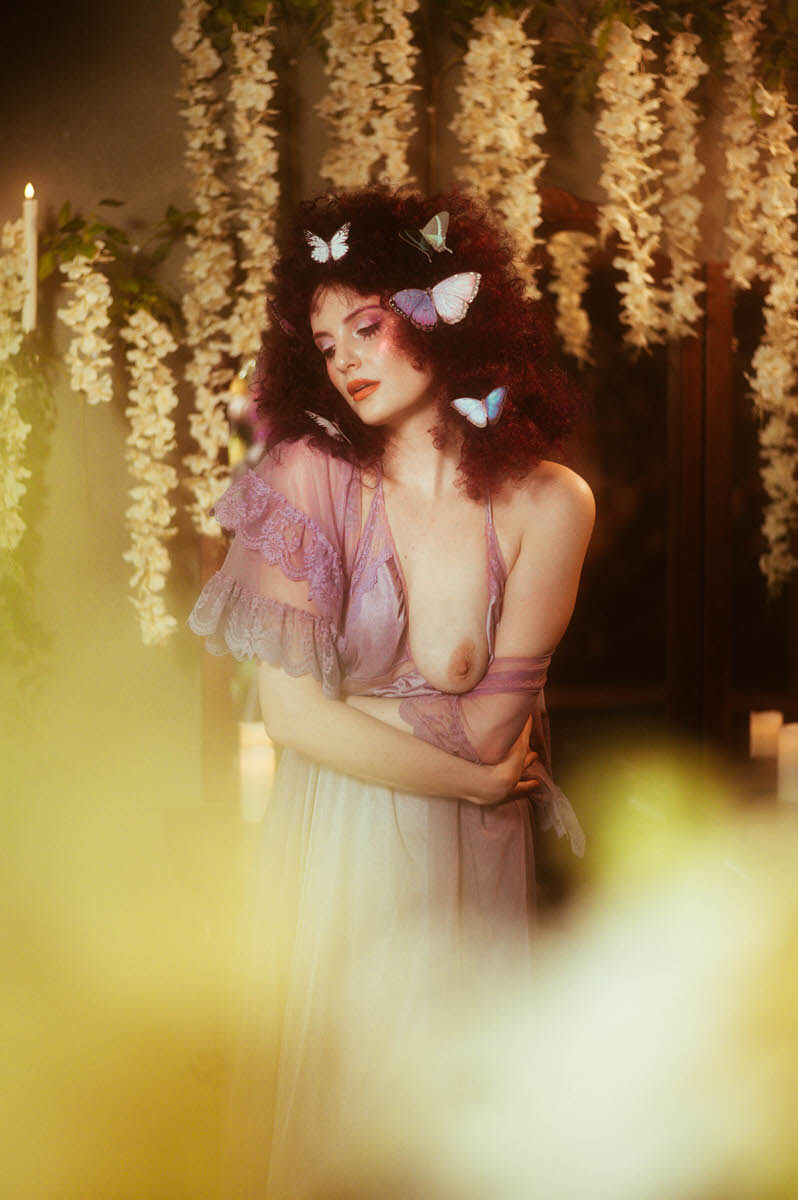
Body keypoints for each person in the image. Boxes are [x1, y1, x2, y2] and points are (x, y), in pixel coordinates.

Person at [188, 184, 594, 1198]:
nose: (349, 361)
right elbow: (288, 718)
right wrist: (461, 778)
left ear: (437, 312)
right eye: (326, 346)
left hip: (474, 875)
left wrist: (342, 709)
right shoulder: (306, 482)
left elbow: (494, 728)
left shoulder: (549, 503)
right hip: (337, 864)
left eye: (364, 326)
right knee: (343, 1141)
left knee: (459, 1141)